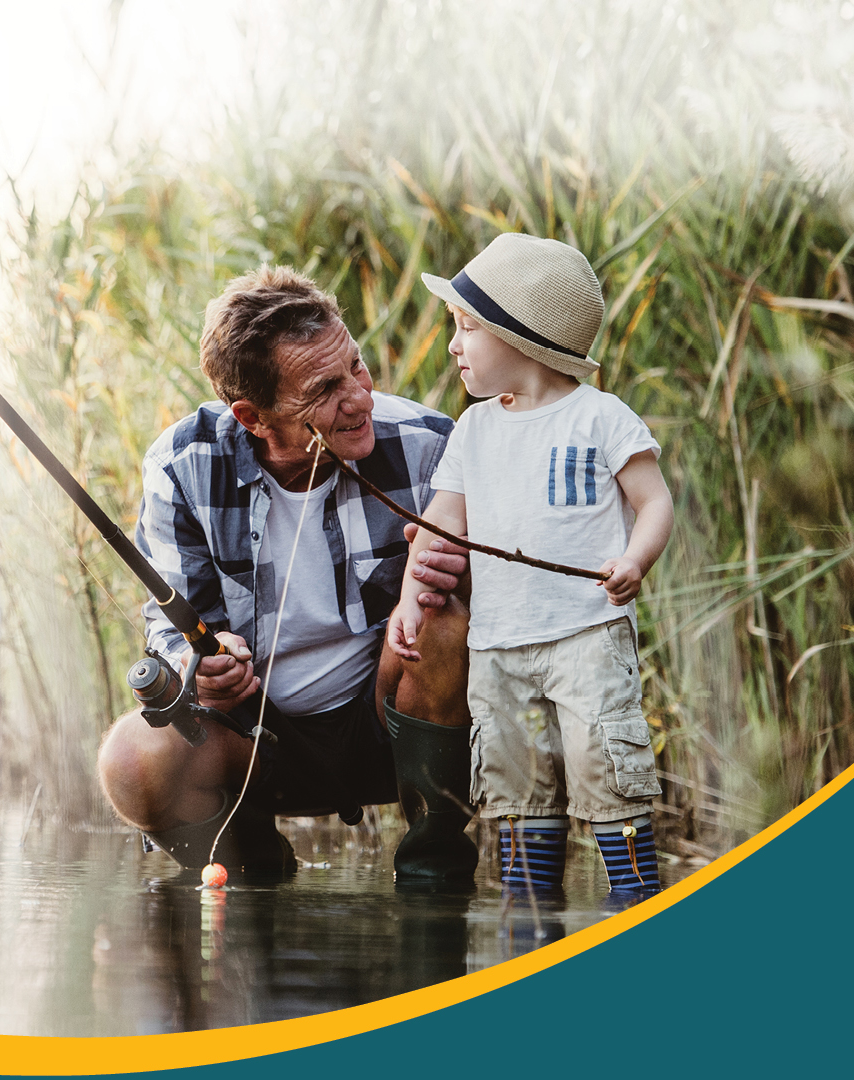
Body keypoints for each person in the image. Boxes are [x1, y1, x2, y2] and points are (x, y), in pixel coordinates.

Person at [97, 265, 480, 886]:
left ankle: (433, 875)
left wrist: (463, 572)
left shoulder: (431, 443)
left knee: (444, 617)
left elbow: (486, 614)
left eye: (356, 366)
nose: (359, 398)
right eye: (324, 390)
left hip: (385, 724)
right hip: (252, 736)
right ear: (252, 416)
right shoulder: (182, 463)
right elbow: (169, 625)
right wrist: (204, 665)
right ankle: (248, 870)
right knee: (130, 759)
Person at [390, 233, 674, 900]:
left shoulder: (601, 418)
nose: (454, 345)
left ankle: (635, 906)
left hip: (587, 638)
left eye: (466, 329)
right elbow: (437, 530)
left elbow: (655, 501)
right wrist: (409, 599)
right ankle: (530, 926)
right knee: (518, 790)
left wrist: (635, 559)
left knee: (605, 770)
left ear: (519, 337)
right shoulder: (474, 429)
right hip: (498, 647)